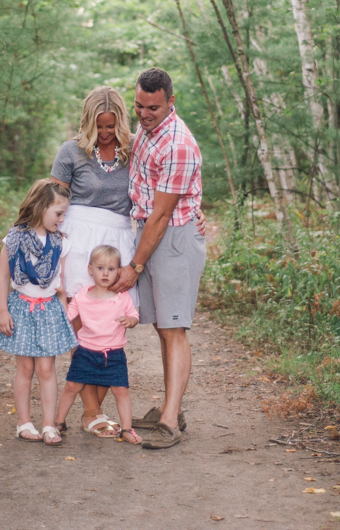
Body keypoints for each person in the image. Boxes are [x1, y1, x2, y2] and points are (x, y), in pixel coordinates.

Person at [50, 85, 207, 438]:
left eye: (111, 126)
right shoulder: (71, 151)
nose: (105, 133)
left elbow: (174, 181)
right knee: (83, 331)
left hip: (119, 239)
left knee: (108, 329)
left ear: (120, 121)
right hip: (78, 243)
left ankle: (98, 410)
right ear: (88, 122)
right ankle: (92, 411)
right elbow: (52, 200)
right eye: (98, 127)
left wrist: (196, 212)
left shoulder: (136, 145)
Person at [113, 68, 205, 451]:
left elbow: (162, 215)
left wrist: (134, 266)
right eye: (138, 105)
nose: (144, 113)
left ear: (171, 100)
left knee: (174, 327)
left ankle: (170, 420)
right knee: (162, 327)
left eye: (153, 107)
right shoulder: (147, 135)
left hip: (173, 239)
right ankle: (172, 407)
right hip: (152, 234)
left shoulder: (178, 143)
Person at [0, 179, 76, 446]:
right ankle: (24, 423)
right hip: (21, 308)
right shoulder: (13, 239)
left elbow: (62, 283)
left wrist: (64, 308)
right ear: (41, 207)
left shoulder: (60, 243)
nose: (61, 219)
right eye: (58, 213)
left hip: (48, 310)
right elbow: (3, 277)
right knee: (25, 367)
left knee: (47, 368)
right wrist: (3, 310)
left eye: (64, 215)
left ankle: (49, 425)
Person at [54, 245, 142, 444]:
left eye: (111, 269)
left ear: (118, 272)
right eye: (100, 268)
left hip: (114, 354)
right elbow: (67, 317)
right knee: (72, 386)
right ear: (90, 270)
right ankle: (58, 423)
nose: (105, 273)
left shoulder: (122, 297)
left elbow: (134, 315)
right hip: (85, 352)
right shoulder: (81, 296)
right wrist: (61, 296)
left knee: (121, 390)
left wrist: (131, 321)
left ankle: (127, 429)